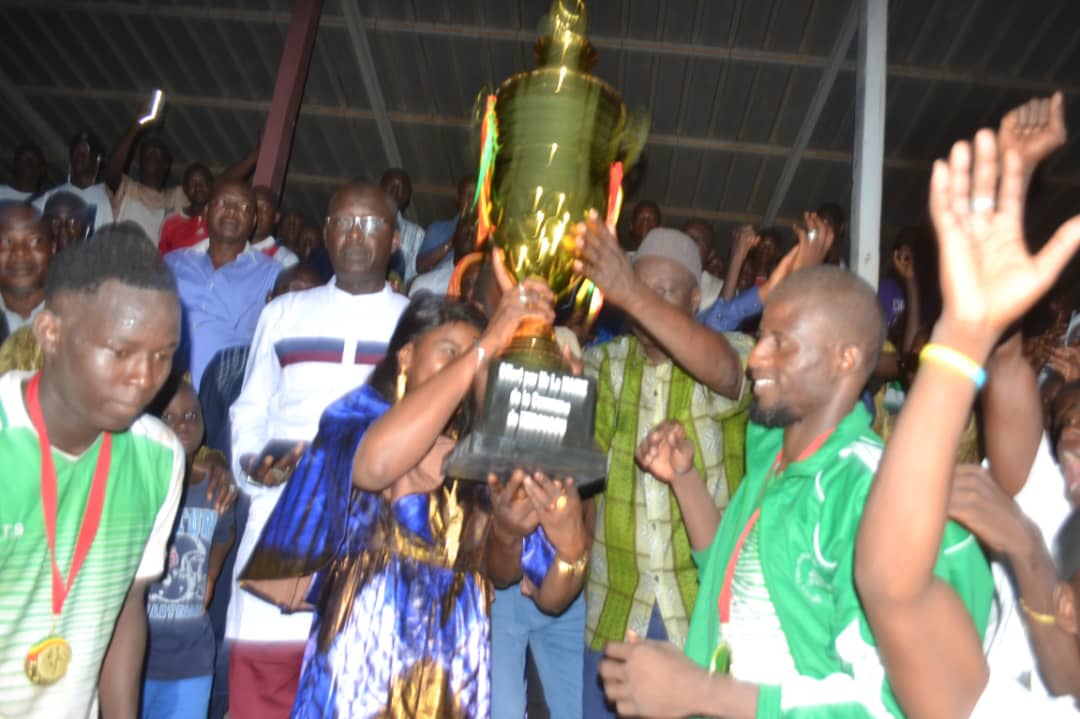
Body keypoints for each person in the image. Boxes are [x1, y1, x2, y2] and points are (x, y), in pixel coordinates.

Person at [597, 260, 994, 718]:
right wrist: (684, 481)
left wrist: (698, 692)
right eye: (761, 336)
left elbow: (894, 706)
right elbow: (728, 574)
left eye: (780, 343)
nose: (756, 358)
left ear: (845, 358)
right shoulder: (775, 456)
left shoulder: (871, 495)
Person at [241, 284, 588, 718]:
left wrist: (559, 544)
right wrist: (482, 350)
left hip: (454, 673)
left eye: (477, 357)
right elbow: (375, 466)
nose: (466, 363)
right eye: (450, 350)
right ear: (406, 356)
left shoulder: (487, 452)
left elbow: (531, 588)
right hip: (361, 664)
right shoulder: (357, 418)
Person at [856, 98, 1080, 717]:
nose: (1072, 444)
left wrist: (1029, 555)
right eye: (1072, 433)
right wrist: (1015, 182)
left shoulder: (1040, 535)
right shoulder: (1059, 511)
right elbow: (1004, 364)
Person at [225, 181, 408, 719]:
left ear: (394, 240)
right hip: (278, 525)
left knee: (354, 690)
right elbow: (249, 408)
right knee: (263, 685)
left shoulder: (414, 325)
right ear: (325, 233)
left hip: (371, 531)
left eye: (371, 224)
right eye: (344, 222)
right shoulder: (285, 313)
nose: (356, 233)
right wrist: (255, 471)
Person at [570, 221, 754, 717]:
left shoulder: (729, 351)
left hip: (700, 615)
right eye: (635, 287)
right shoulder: (600, 363)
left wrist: (629, 289)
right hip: (615, 603)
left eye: (662, 292)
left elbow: (729, 376)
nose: (642, 302)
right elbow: (581, 471)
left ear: (696, 300)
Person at [0, 223, 185, 717]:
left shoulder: (159, 456)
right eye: (121, 352)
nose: (145, 379)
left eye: (163, 356)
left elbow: (127, 606)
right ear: (51, 333)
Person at [142, 373, 239, 719]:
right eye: (168, 417)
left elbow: (226, 532)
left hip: (192, 658)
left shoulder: (213, 488)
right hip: (138, 654)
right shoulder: (139, 484)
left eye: (192, 415)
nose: (182, 424)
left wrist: (211, 573)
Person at [164, 178, 281, 390]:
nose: (231, 212)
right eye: (223, 203)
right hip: (162, 389)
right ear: (207, 210)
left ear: (253, 220)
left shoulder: (273, 274)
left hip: (224, 398)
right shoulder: (172, 262)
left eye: (243, 207)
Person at [106, 102, 257, 244]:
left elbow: (217, 183)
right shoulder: (126, 188)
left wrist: (255, 155)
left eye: (159, 154)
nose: (154, 156)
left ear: (167, 165)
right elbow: (112, 169)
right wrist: (136, 126)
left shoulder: (178, 196)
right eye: (149, 153)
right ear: (139, 161)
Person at [35, 131, 113, 233]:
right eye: (76, 150)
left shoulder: (107, 198)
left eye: (85, 151)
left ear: (97, 159)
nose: (79, 155)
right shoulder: (52, 196)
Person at [0, 202, 50, 334]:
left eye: (34, 241)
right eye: (5, 242)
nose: (20, 253)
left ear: (53, 248)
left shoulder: (76, 316)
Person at [381, 168, 426, 284]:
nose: (395, 191)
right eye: (390, 185)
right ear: (380, 188)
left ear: (407, 195)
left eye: (400, 187)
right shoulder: (366, 224)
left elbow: (416, 272)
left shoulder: (417, 234)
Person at [158, 163, 213, 254]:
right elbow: (162, 258)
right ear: (185, 189)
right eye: (193, 183)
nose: (198, 187)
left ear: (211, 186)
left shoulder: (221, 219)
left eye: (203, 182)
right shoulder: (170, 222)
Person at [249, 186, 299, 267]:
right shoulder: (231, 249)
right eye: (252, 207)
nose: (257, 213)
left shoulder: (285, 259)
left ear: (276, 217)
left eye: (264, 208)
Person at [682, 218, 724, 309]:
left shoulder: (720, 289)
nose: (689, 243)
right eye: (685, 237)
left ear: (710, 254)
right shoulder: (660, 279)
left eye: (697, 240)